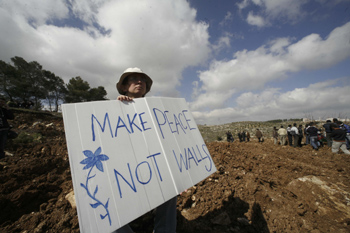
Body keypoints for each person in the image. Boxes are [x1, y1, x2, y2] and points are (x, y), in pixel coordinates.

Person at [114, 67, 177, 233]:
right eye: (133, 79)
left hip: (152, 167)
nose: (139, 81)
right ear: (123, 87)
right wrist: (119, 106)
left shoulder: (156, 110)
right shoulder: (112, 108)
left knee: (171, 191)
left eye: (142, 80)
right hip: (124, 172)